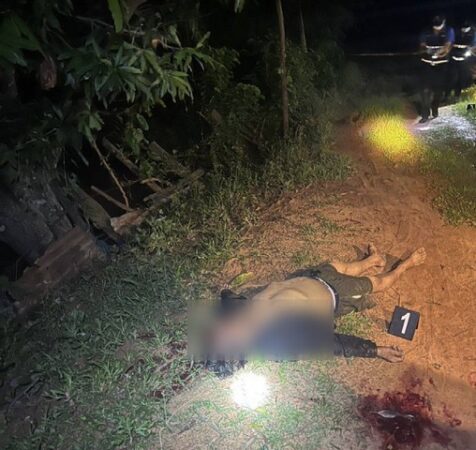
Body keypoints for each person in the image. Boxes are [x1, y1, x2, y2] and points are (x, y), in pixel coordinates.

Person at [205, 245, 427, 375]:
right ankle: (407, 264)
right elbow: (331, 345)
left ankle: (372, 260)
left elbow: (228, 297)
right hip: (337, 294)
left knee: (344, 266)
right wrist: (375, 350)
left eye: (216, 334)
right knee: (378, 283)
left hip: (313, 275)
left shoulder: (236, 312)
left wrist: (222, 294)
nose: (219, 328)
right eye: (223, 337)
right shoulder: (277, 343)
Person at [419, 15, 455, 123]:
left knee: (438, 90)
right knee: (425, 89)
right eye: (435, 26)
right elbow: (422, 45)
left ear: (444, 23)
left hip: (441, 64)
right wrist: (426, 51)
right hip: (427, 63)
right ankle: (425, 114)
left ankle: (435, 107)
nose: (437, 28)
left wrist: (438, 53)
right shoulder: (426, 31)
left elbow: (447, 47)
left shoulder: (449, 31)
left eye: (439, 25)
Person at [447, 21, 476, 100]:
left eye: (466, 28)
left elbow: (473, 45)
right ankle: (447, 94)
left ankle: (457, 95)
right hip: (454, 56)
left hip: (465, 58)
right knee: (452, 76)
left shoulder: (473, 33)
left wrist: (469, 50)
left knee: (462, 77)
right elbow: (450, 42)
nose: (464, 30)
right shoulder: (456, 31)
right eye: (463, 28)